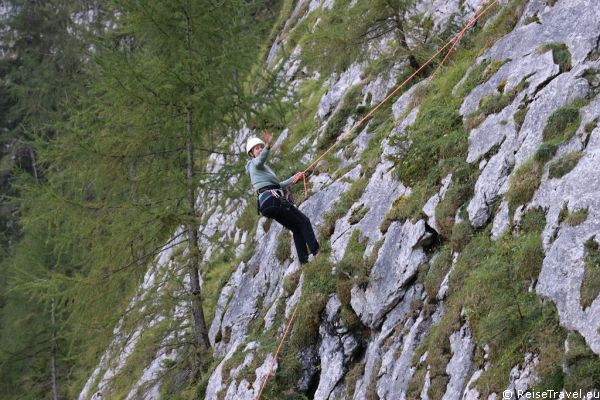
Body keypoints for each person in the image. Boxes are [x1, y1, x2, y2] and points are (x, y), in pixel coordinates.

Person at [246, 130, 319, 264]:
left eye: (261, 147)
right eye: (257, 148)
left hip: (267, 203)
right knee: (304, 221)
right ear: (251, 154)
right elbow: (260, 160)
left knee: (296, 228)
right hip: (272, 199)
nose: (260, 149)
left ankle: (304, 261)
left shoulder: (261, 170)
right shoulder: (254, 164)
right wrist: (268, 145)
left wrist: (294, 178)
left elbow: (278, 186)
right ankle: (317, 252)